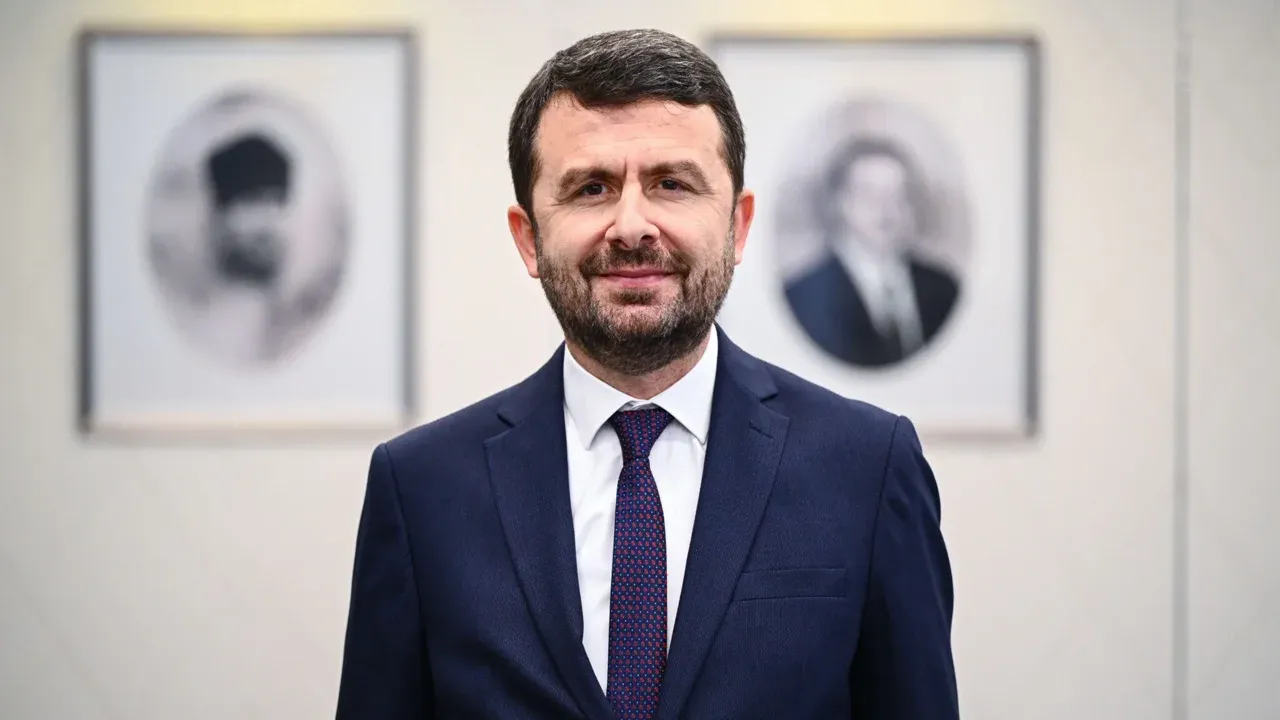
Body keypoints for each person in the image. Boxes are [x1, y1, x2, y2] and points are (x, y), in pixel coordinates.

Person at [335, 28, 958, 720]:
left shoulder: (868, 468)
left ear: (738, 226)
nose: (631, 226)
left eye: (671, 184)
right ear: (528, 237)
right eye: (590, 188)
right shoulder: (420, 488)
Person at [784, 136, 961, 368]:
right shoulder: (804, 295)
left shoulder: (943, 288)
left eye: (898, 194)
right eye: (868, 193)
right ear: (839, 201)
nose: (886, 208)